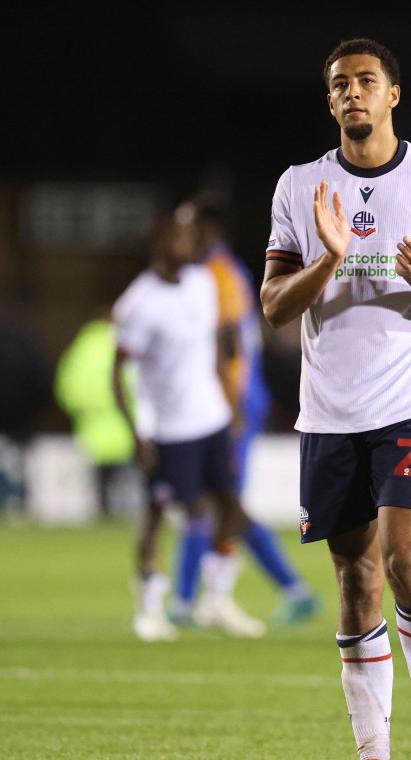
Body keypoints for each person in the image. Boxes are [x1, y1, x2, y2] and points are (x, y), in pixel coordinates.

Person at [260, 38, 411, 760]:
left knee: (405, 561)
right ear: (328, 102)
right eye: (338, 85)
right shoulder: (299, 185)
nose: (352, 93)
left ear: (393, 94)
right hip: (328, 413)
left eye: (365, 82)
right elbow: (272, 307)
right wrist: (327, 259)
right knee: (355, 582)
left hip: (409, 407)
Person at [112, 202, 266, 642]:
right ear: (159, 242)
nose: (189, 243)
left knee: (231, 510)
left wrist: (231, 400)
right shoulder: (139, 302)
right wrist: (137, 430)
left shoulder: (202, 283)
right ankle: (149, 607)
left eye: (192, 236)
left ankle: (216, 600)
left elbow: (217, 344)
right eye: (179, 236)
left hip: (211, 419)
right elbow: (120, 372)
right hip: (167, 428)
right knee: (160, 514)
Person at [169, 191, 320, 628]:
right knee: (216, 500)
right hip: (219, 401)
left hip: (229, 403)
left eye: (187, 228)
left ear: (207, 231)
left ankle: (203, 598)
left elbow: (231, 342)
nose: (181, 238)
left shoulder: (216, 274)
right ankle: (281, 590)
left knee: (219, 500)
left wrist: (229, 405)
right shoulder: (211, 272)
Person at [54, 307, 136, 516]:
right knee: (131, 476)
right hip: (125, 422)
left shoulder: (83, 345)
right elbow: (136, 380)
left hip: (92, 425)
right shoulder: (125, 343)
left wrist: (81, 408)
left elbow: (66, 385)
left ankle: (103, 512)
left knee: (102, 479)